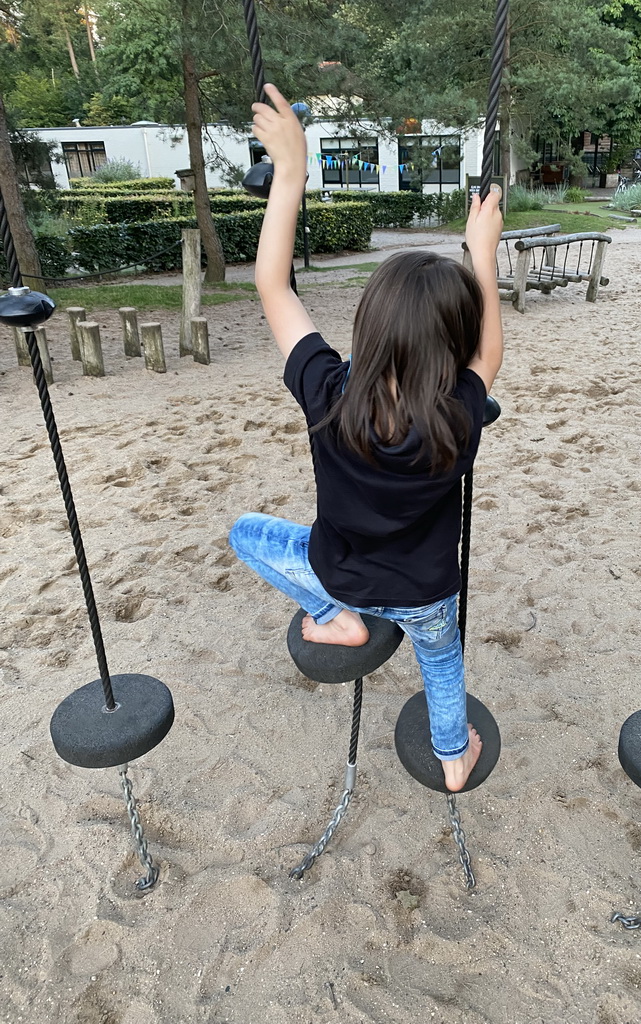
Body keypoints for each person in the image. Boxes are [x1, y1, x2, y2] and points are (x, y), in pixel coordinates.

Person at [229, 84, 504, 792]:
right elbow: (489, 356)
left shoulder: (329, 392)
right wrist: (481, 254)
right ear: (453, 349)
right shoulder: (456, 415)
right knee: (442, 664)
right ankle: (452, 758)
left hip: (339, 576)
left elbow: (273, 289)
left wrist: (290, 175)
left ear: (368, 325)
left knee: (247, 533)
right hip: (426, 595)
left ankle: (334, 619)